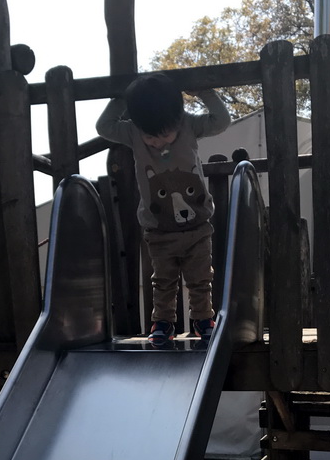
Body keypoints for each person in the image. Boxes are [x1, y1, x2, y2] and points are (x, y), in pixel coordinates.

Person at [96, 73, 231, 346]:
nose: (159, 143)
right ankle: (163, 323)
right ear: (138, 127)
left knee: (201, 278)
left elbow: (221, 120)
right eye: (151, 137)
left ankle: (203, 319)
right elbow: (104, 126)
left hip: (197, 226)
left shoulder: (189, 124)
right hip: (158, 230)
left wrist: (205, 91)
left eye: (166, 134)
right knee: (163, 281)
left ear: (177, 119)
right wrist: (121, 100)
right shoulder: (133, 132)